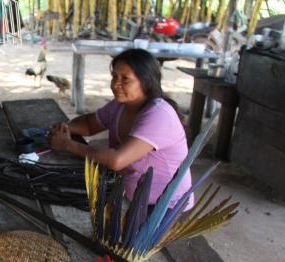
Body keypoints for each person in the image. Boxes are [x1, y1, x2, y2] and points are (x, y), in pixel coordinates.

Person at [49, 49, 193, 210]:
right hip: (133, 196)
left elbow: (116, 160)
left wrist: (68, 145)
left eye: (125, 79)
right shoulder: (121, 105)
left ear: (146, 81)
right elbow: (90, 125)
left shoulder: (159, 114)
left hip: (165, 207)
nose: (116, 84)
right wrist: (65, 128)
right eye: (114, 77)